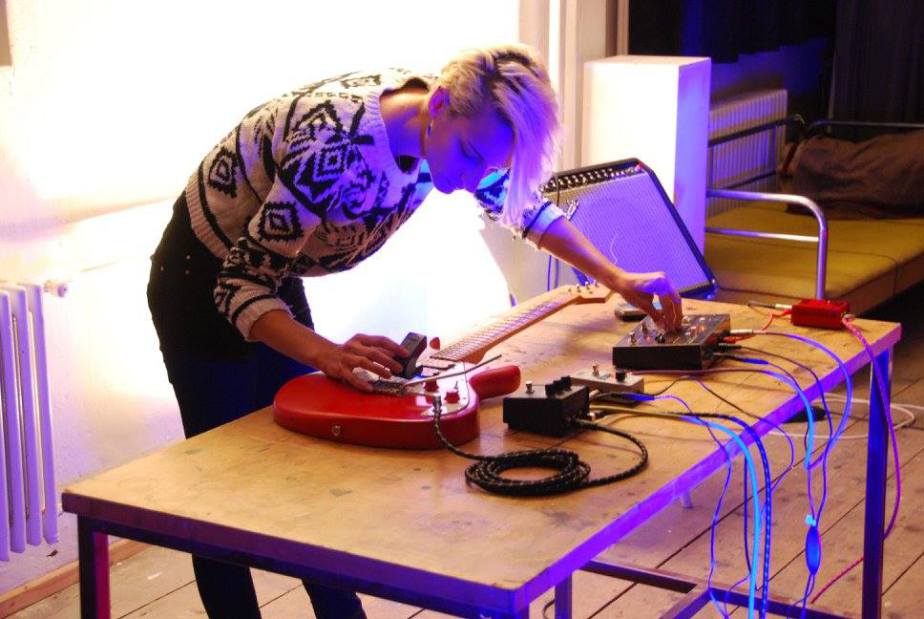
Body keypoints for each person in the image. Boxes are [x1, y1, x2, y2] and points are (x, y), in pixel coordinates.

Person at [147, 43, 682, 619]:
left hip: (269, 272)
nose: (474, 177)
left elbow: (523, 209)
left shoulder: (449, 124)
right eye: (471, 155)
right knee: (221, 493)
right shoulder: (338, 145)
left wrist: (616, 277)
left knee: (299, 475)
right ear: (441, 104)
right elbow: (238, 284)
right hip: (199, 275)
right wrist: (326, 353)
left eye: (489, 165)